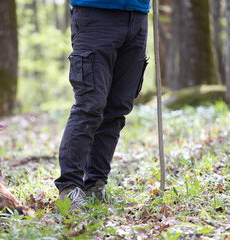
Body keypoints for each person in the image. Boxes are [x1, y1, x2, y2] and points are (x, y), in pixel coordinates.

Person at [55, 0, 150, 210]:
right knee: (90, 105)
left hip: (138, 15)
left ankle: (95, 185)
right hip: (95, 13)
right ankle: (69, 188)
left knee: (118, 108)